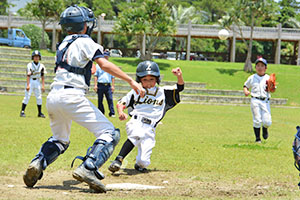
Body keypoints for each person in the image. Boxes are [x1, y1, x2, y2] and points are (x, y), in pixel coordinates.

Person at [23, 5, 144, 193]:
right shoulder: (86, 41)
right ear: (84, 25)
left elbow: (81, 66)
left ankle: (38, 162)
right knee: (110, 133)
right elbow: (103, 64)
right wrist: (131, 81)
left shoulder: (63, 43)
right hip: (72, 96)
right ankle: (88, 168)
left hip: (54, 97)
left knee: (60, 140)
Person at [108, 61, 184, 173]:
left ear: (157, 79)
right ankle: (118, 159)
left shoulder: (162, 92)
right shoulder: (136, 91)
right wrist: (120, 112)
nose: (148, 83)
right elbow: (121, 103)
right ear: (139, 80)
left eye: (151, 79)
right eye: (145, 80)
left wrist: (179, 76)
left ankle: (139, 165)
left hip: (151, 128)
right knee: (137, 135)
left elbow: (179, 87)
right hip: (136, 122)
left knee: (144, 161)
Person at [243, 57, 274, 143]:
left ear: (266, 68)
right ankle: (257, 139)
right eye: (258, 66)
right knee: (257, 120)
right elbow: (245, 86)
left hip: (265, 101)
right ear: (255, 67)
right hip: (255, 100)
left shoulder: (268, 78)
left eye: (262, 66)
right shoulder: (252, 77)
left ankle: (265, 129)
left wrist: (272, 87)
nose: (260, 68)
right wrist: (246, 91)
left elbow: (273, 89)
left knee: (267, 121)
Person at [20, 50, 46, 118]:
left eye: (37, 56)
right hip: (31, 81)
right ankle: (22, 111)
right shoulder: (30, 65)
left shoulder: (42, 66)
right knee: (27, 96)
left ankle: (39, 113)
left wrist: (43, 85)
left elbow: (42, 76)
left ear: (39, 57)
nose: (36, 58)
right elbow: (28, 75)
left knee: (39, 97)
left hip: (37, 81)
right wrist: (28, 85)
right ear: (32, 57)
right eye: (35, 56)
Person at [94, 50, 115, 117]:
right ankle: (101, 112)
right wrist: (95, 85)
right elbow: (96, 76)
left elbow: (113, 77)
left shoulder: (110, 65)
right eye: (104, 56)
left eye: (107, 57)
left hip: (108, 85)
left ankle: (112, 113)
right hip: (100, 84)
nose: (106, 58)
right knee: (100, 100)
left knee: (110, 99)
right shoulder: (98, 66)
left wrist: (113, 86)